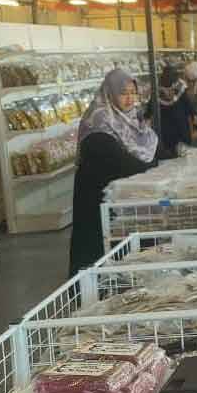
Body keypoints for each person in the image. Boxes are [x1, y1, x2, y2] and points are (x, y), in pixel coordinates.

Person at [68, 68, 158, 276]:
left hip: (121, 198)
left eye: (133, 93)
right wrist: (152, 167)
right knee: (97, 255)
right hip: (98, 198)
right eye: (123, 93)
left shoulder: (130, 117)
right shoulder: (98, 121)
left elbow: (147, 144)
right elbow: (120, 162)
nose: (129, 99)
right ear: (110, 93)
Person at [147, 65, 193, 158]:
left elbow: (151, 107)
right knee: (184, 153)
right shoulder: (180, 88)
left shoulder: (157, 90)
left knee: (169, 152)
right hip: (180, 124)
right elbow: (187, 104)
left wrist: (146, 116)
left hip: (165, 125)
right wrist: (192, 116)